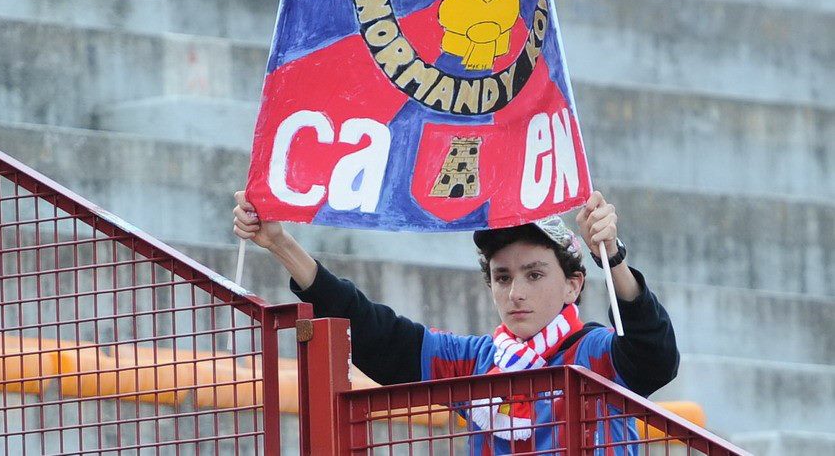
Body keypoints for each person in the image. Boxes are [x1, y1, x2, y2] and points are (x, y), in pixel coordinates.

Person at [233, 190, 679, 453]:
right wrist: (280, 244)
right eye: (502, 277)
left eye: (534, 275)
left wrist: (613, 258)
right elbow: (377, 336)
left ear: (572, 286)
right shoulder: (476, 360)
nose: (515, 292)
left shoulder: (596, 354)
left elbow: (654, 355)